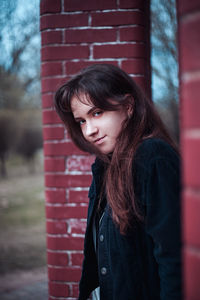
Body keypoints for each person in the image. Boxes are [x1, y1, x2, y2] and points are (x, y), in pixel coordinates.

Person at [54, 64, 182, 300]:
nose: (89, 130)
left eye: (96, 113)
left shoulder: (153, 158)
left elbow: (174, 258)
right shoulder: (106, 165)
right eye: (81, 121)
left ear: (129, 106)